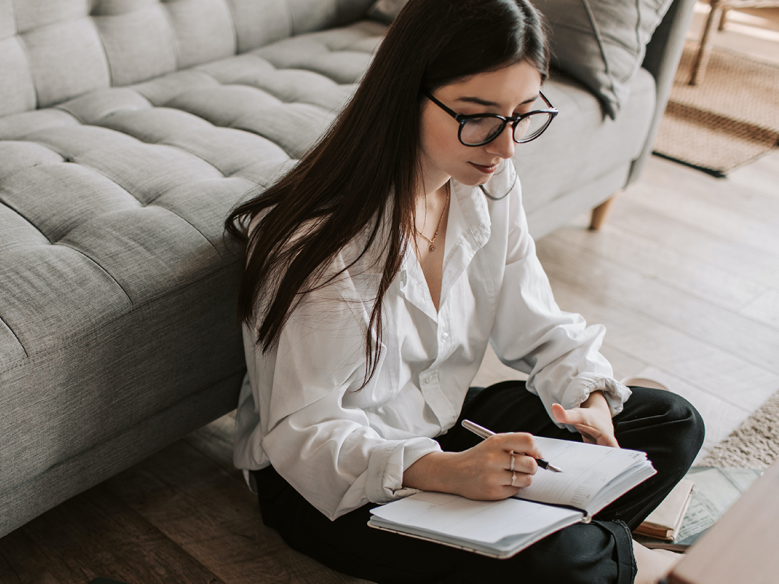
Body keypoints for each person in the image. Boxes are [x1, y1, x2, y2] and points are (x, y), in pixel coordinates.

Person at [224, 0, 705, 583]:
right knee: (565, 566)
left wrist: (590, 402)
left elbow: (538, 324)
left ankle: (582, 546)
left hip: (443, 426)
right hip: (331, 482)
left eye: (522, 115)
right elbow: (306, 435)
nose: (505, 148)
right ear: (407, 94)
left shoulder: (489, 185)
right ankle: (614, 554)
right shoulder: (318, 244)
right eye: (478, 117)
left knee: (671, 423)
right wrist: (446, 473)